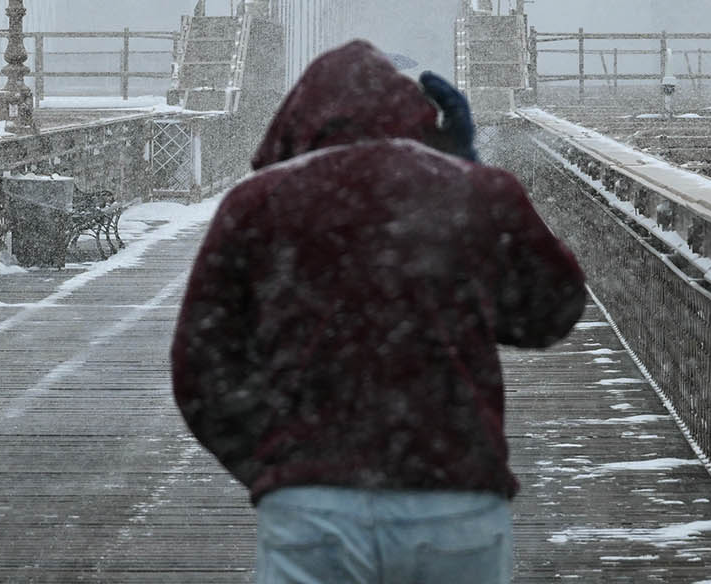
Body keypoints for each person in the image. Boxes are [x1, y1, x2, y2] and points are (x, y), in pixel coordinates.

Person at [171, 40, 586, 583]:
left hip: (311, 503)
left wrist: (274, 463)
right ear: (417, 116)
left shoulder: (257, 204)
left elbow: (201, 365)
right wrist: (477, 182)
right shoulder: (471, 193)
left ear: (297, 119)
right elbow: (546, 313)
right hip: (453, 493)